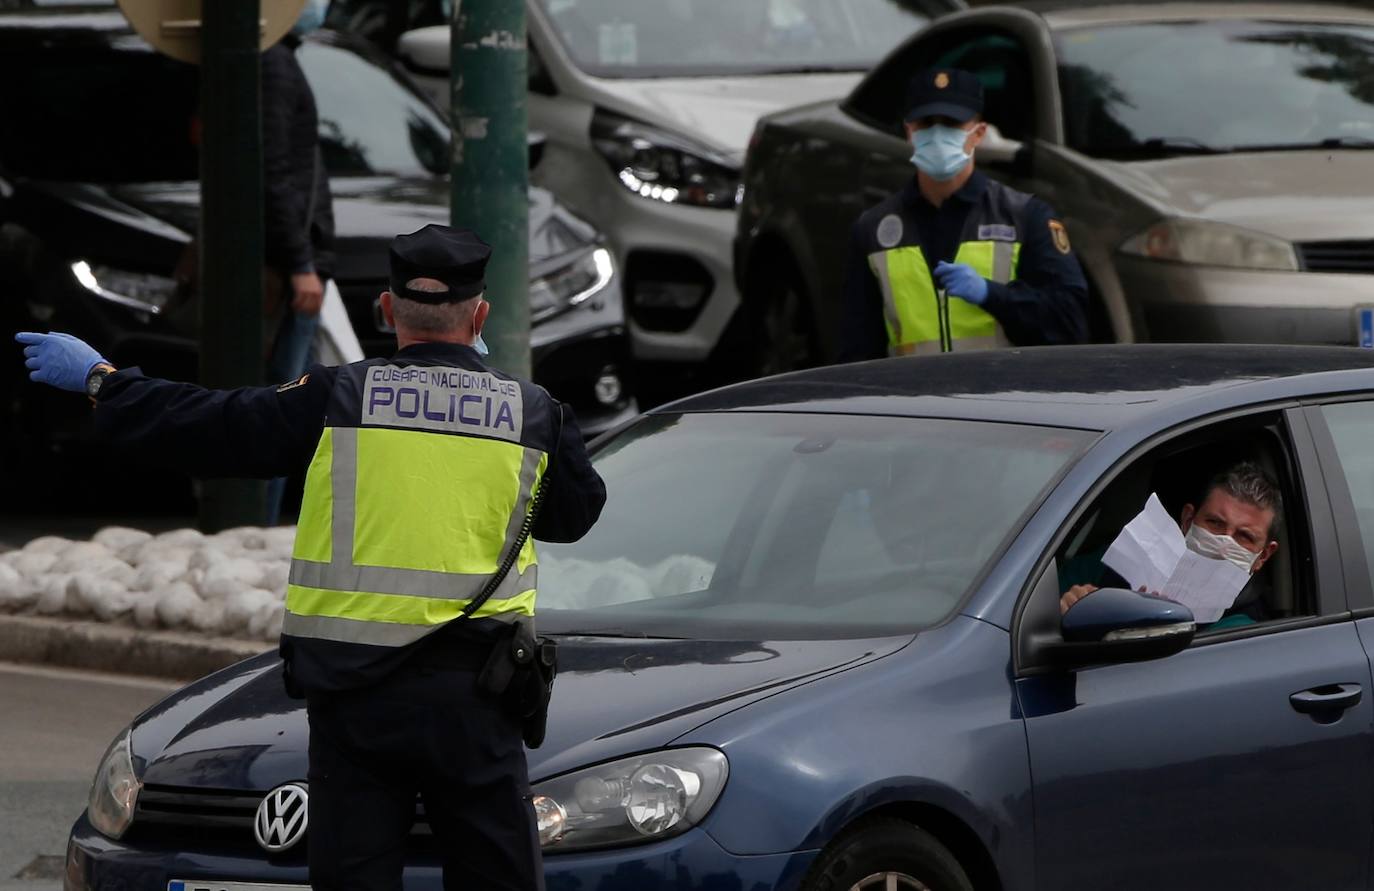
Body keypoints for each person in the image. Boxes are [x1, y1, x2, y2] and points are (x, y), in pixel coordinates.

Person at [15, 224, 606, 890]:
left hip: (355, 701)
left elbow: (209, 424)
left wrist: (103, 380)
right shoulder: (534, 415)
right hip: (479, 698)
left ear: (385, 309)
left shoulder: (336, 398)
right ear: (480, 315)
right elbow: (576, 514)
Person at [838, 67, 1089, 362]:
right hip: (913, 403)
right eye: (925, 123)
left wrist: (991, 295)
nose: (937, 133)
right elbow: (857, 349)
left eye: (951, 123)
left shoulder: (1024, 218)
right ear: (909, 131)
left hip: (1000, 399)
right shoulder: (874, 230)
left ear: (978, 133)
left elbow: (1070, 324)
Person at [262, 0, 336, 523]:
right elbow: (276, 173)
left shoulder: (279, 59)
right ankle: (258, 522)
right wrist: (300, 263)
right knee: (281, 404)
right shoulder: (272, 63)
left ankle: (268, 520)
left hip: (292, 262)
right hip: (285, 269)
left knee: (289, 399)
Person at [1061, 462, 1281, 631]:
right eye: (1215, 523)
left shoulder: (1244, 630)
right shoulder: (1121, 559)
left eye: (1244, 536)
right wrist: (1070, 607)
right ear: (1187, 520)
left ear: (1263, 556)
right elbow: (1035, 601)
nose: (1224, 542)